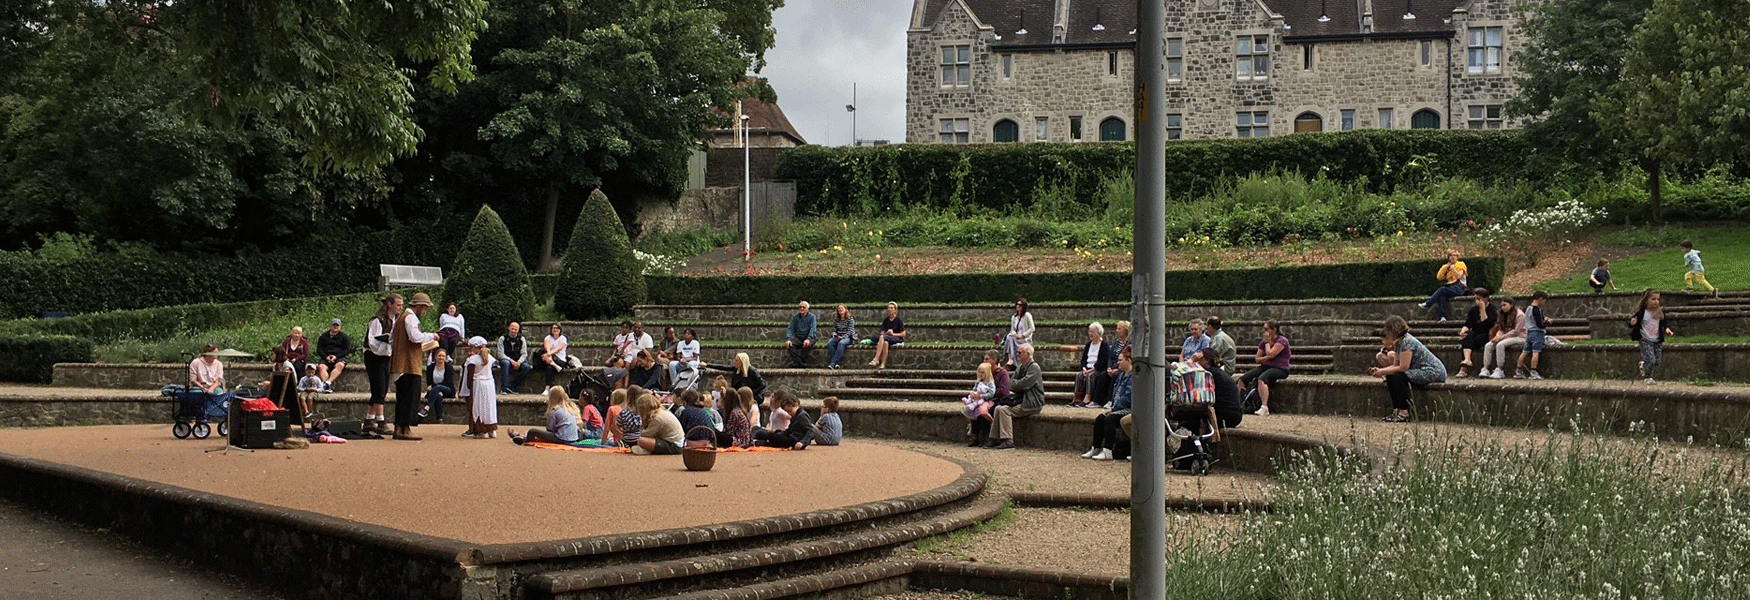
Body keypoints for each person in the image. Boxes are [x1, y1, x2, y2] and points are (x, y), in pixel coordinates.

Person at [1371, 315, 1447, 422]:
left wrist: (1382, 371)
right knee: (1391, 376)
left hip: (1432, 371)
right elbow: (1395, 364)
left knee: (1398, 377)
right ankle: (1396, 410)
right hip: (1421, 369)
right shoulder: (1398, 343)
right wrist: (1380, 371)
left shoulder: (1407, 341)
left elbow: (1403, 367)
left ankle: (1404, 413)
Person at [389, 292, 438, 441]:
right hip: (408, 365)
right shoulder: (410, 318)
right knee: (409, 398)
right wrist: (431, 336)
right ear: (419, 306)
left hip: (400, 364)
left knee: (402, 398)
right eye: (425, 308)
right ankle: (405, 429)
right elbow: (415, 337)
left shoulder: (400, 318)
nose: (425, 311)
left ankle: (399, 428)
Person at [987, 343, 1044, 450]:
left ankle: (1008, 440)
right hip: (1021, 400)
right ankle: (993, 438)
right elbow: (1011, 383)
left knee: (1004, 410)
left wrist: (1018, 385)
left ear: (1027, 354)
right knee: (998, 408)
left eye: (1019, 353)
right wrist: (1018, 385)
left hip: (1031, 403)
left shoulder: (1034, 368)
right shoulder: (1021, 367)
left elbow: (1026, 383)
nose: (1017, 355)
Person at [1081, 347, 1134, 461]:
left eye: (1120, 360)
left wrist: (1114, 408)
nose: (1117, 363)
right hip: (1117, 407)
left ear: (1128, 361)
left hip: (1129, 409)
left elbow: (1128, 397)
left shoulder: (1133, 377)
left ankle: (1108, 450)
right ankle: (1095, 447)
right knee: (1100, 418)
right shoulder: (1120, 376)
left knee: (1110, 419)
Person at [363, 293, 401, 435]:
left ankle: (368, 421)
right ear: (389, 304)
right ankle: (381, 421)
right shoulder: (377, 321)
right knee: (379, 387)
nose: (400, 307)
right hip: (374, 356)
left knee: (382, 388)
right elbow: (372, 342)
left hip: (386, 356)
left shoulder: (396, 320)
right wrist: (386, 345)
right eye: (398, 304)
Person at [1237, 320, 1290, 416]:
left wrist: (1267, 343)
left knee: (1262, 379)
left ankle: (1264, 407)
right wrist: (1267, 358)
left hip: (1280, 368)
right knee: (1242, 379)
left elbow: (1271, 353)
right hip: (1266, 366)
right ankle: (1239, 403)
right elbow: (1257, 358)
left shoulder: (1282, 340)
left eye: (1266, 329)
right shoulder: (1263, 342)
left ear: (1274, 330)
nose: (1264, 332)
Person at [1629, 289, 1676, 384]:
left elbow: (1664, 323)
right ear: (1646, 300)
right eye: (1653, 299)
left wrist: (1667, 330)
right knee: (1651, 359)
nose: (1656, 301)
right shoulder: (1642, 313)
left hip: (1657, 340)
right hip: (1645, 339)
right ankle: (1648, 377)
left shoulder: (1659, 312)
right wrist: (1632, 323)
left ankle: (1643, 364)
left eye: (1658, 299)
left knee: (1657, 361)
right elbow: (1633, 322)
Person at [511, 386, 584, 445]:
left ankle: (525, 439)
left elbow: (550, 429)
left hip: (562, 439)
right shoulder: (570, 408)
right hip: (574, 438)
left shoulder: (555, 411)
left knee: (532, 431)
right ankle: (523, 436)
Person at [1067, 322, 1115, 408]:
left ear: (1098, 333)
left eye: (1092, 332)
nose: (1090, 334)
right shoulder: (1088, 344)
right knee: (1079, 375)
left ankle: (1087, 398)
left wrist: (1092, 370)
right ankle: (1077, 398)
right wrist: (1084, 368)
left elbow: (1103, 361)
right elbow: (1083, 359)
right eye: (1089, 332)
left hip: (1097, 369)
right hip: (1088, 368)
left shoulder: (1104, 345)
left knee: (1091, 376)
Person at [1454, 288, 1498, 378]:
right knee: (1467, 336)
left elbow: (1487, 323)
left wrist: (1482, 309)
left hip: (1486, 333)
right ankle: (1467, 360)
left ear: (1486, 299)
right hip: (1475, 333)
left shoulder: (1492, 309)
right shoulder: (1473, 310)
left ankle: (1464, 368)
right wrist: (1463, 331)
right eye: (1476, 299)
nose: (1477, 301)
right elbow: (1468, 324)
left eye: (1479, 299)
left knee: (1470, 341)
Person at [462, 336, 499, 438]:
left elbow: (470, 376)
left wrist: (469, 387)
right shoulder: (490, 358)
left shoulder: (473, 359)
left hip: (478, 384)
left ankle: (481, 431)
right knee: (489, 407)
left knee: (478, 407)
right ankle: (491, 430)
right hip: (489, 385)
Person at [1417, 250, 1469, 321]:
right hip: (1451, 287)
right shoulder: (1447, 267)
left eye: (1455, 255)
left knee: (1442, 289)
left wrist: (1453, 269)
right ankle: (1442, 317)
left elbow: (1459, 276)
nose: (1453, 257)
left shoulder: (1461, 264)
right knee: (1442, 295)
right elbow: (1439, 277)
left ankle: (1428, 303)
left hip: (1459, 288)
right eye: (1451, 255)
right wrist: (1445, 268)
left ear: (1457, 257)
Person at [1481, 296, 1525, 379]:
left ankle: (1500, 368)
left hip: (1519, 337)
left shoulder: (1520, 315)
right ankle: (1486, 368)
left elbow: (1516, 331)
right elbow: (1501, 328)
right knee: (1488, 345)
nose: (1503, 307)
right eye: (1501, 305)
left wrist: (1501, 338)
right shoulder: (1502, 314)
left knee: (1500, 345)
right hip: (1506, 335)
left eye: (1505, 305)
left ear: (1511, 305)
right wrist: (1497, 336)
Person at [1516, 290, 1553, 380]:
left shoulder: (1528, 309)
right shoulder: (1537, 310)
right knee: (1536, 352)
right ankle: (1533, 371)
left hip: (1529, 332)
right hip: (1537, 333)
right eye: (1544, 301)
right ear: (1540, 299)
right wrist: (1548, 322)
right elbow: (1540, 324)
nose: (1544, 303)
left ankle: (1518, 371)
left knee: (1524, 352)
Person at [494, 321, 533, 395]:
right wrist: (511, 361)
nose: (513, 331)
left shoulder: (521, 339)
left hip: (518, 360)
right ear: (508, 328)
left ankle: (512, 387)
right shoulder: (502, 338)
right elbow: (500, 354)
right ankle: (504, 389)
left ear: (518, 330)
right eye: (512, 328)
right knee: (505, 363)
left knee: (527, 367)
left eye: (515, 329)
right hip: (506, 359)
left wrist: (519, 362)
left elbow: (524, 354)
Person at [961, 362, 998, 440]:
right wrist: (973, 394)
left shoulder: (990, 383)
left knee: (982, 414)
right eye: (979, 372)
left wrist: (982, 396)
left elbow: (991, 393)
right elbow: (974, 390)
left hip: (986, 401)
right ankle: (974, 435)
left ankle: (988, 430)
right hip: (976, 401)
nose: (980, 374)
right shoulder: (978, 382)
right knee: (972, 413)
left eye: (982, 373)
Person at [315, 318, 351, 392]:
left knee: (340, 365)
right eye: (334, 325)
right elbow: (319, 349)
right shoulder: (323, 336)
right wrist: (326, 357)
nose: (335, 327)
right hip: (326, 356)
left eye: (337, 325)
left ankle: (328, 382)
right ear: (330, 326)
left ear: (340, 327)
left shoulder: (344, 337)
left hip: (339, 357)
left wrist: (336, 357)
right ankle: (326, 385)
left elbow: (347, 350)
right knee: (321, 367)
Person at [421, 348, 457, 422]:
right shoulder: (430, 368)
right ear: (435, 357)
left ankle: (427, 407)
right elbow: (429, 382)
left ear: (445, 358)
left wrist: (434, 386)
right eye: (439, 356)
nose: (441, 358)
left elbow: (448, 382)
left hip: (448, 390)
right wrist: (434, 388)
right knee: (438, 395)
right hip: (435, 391)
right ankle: (439, 419)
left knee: (437, 387)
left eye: (443, 356)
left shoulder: (449, 367)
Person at [868, 301, 906, 369]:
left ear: (895, 310)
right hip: (887, 338)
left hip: (896, 338)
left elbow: (903, 334)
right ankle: (883, 363)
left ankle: (876, 359)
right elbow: (882, 333)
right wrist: (887, 333)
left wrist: (893, 334)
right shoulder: (886, 320)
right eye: (889, 308)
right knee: (885, 342)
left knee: (883, 337)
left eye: (892, 308)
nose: (890, 309)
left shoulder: (898, 320)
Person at [785, 301, 818, 368]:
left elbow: (813, 329)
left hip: (810, 337)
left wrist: (808, 339)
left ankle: (798, 363)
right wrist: (789, 339)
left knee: (807, 345)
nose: (802, 308)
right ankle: (802, 363)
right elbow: (790, 329)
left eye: (804, 307)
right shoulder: (795, 317)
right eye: (800, 307)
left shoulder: (812, 317)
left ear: (807, 309)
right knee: (789, 345)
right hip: (798, 338)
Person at [538, 323, 572, 387]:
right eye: (554, 328)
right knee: (541, 355)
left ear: (560, 330)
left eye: (557, 328)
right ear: (551, 329)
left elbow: (557, 349)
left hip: (560, 360)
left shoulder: (563, 339)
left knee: (549, 367)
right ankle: (554, 365)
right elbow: (547, 348)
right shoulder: (547, 338)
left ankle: (547, 388)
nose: (555, 330)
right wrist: (549, 357)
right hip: (550, 359)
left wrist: (548, 355)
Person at [826, 305, 857, 369]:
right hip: (838, 336)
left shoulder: (850, 319)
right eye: (839, 308)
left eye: (842, 308)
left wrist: (842, 337)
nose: (840, 309)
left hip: (848, 337)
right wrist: (834, 335)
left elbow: (850, 331)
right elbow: (834, 330)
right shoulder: (836, 320)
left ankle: (832, 363)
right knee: (830, 343)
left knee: (841, 343)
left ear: (845, 309)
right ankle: (836, 364)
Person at [1005, 298, 1033, 366]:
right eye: (1017, 304)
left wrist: (1023, 335)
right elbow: (1012, 330)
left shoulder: (1027, 315)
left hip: (1024, 339)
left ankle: (1013, 360)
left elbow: (1032, 328)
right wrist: (1015, 335)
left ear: (1023, 306)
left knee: (1009, 338)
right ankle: (1010, 359)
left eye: (1020, 305)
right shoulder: (1014, 317)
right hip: (1016, 338)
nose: (1018, 306)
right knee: (1009, 337)